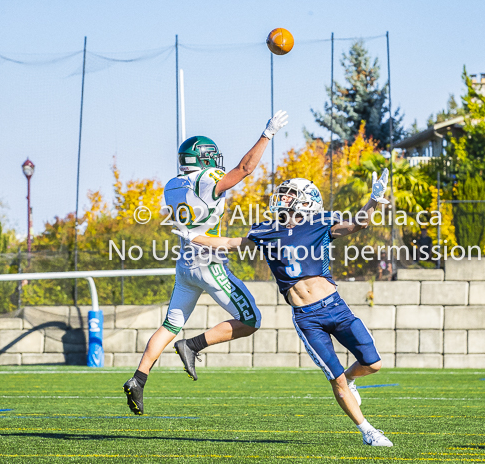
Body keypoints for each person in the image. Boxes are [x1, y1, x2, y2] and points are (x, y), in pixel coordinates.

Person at [174, 169, 394, 447]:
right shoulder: (266, 229)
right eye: (283, 193)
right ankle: (368, 431)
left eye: (289, 194)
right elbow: (229, 243)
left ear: (306, 200)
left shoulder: (321, 223)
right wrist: (192, 236)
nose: (282, 198)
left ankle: (351, 378)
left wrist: (373, 200)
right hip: (307, 317)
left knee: (373, 364)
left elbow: (357, 225)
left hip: (336, 308)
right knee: (334, 379)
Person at [123, 110, 289, 415]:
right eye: (211, 157)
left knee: (170, 324)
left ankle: (138, 378)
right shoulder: (207, 180)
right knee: (251, 319)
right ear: (202, 158)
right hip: (210, 263)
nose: (215, 162)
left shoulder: (172, 186)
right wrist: (267, 134)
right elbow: (244, 168)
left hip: (184, 264)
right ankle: (194, 346)